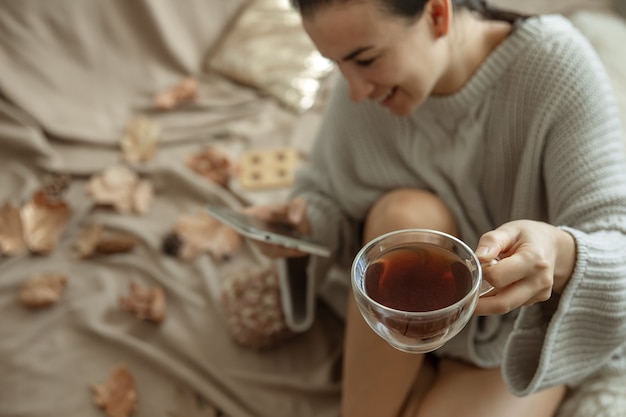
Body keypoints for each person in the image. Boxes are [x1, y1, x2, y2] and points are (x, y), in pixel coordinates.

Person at [250, 0, 626, 416]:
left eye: (366, 59)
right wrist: (302, 229)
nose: (356, 91)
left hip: (515, 325)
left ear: (437, 14)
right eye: (336, 64)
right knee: (406, 216)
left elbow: (618, 240)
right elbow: (329, 200)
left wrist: (559, 251)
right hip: (399, 304)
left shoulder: (556, 66)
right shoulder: (362, 91)